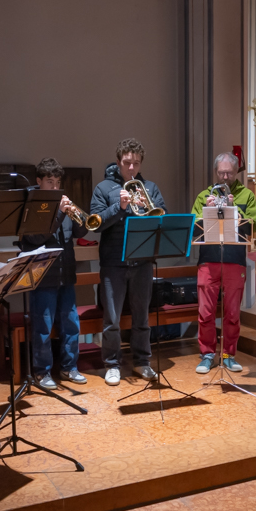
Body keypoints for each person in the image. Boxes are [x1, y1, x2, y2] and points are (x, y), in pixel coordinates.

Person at [90, 138, 167, 386]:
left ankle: (142, 362)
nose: (131, 168)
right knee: (112, 319)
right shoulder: (103, 188)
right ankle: (112, 364)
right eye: (127, 163)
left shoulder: (150, 188)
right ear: (118, 162)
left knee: (142, 317)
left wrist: (149, 207)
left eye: (136, 163)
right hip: (113, 263)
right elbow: (96, 223)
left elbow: (161, 216)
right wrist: (120, 207)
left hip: (142, 262)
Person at [19, 158, 90, 389]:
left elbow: (82, 229)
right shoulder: (32, 207)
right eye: (50, 182)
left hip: (65, 273)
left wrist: (74, 213)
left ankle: (69, 368)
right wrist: (59, 213)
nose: (55, 187)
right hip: (43, 275)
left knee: (71, 324)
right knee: (43, 327)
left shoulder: (63, 204)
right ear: (38, 181)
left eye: (58, 182)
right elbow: (35, 238)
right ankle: (42, 372)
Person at [190, 153, 256, 374]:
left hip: (234, 260)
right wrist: (206, 211)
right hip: (208, 259)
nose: (225, 177)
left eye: (229, 173)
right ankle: (207, 354)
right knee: (206, 312)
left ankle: (228, 354)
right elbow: (192, 226)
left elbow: (253, 225)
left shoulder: (247, 195)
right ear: (215, 172)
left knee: (232, 313)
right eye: (221, 173)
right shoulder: (203, 195)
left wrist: (234, 210)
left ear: (236, 171)